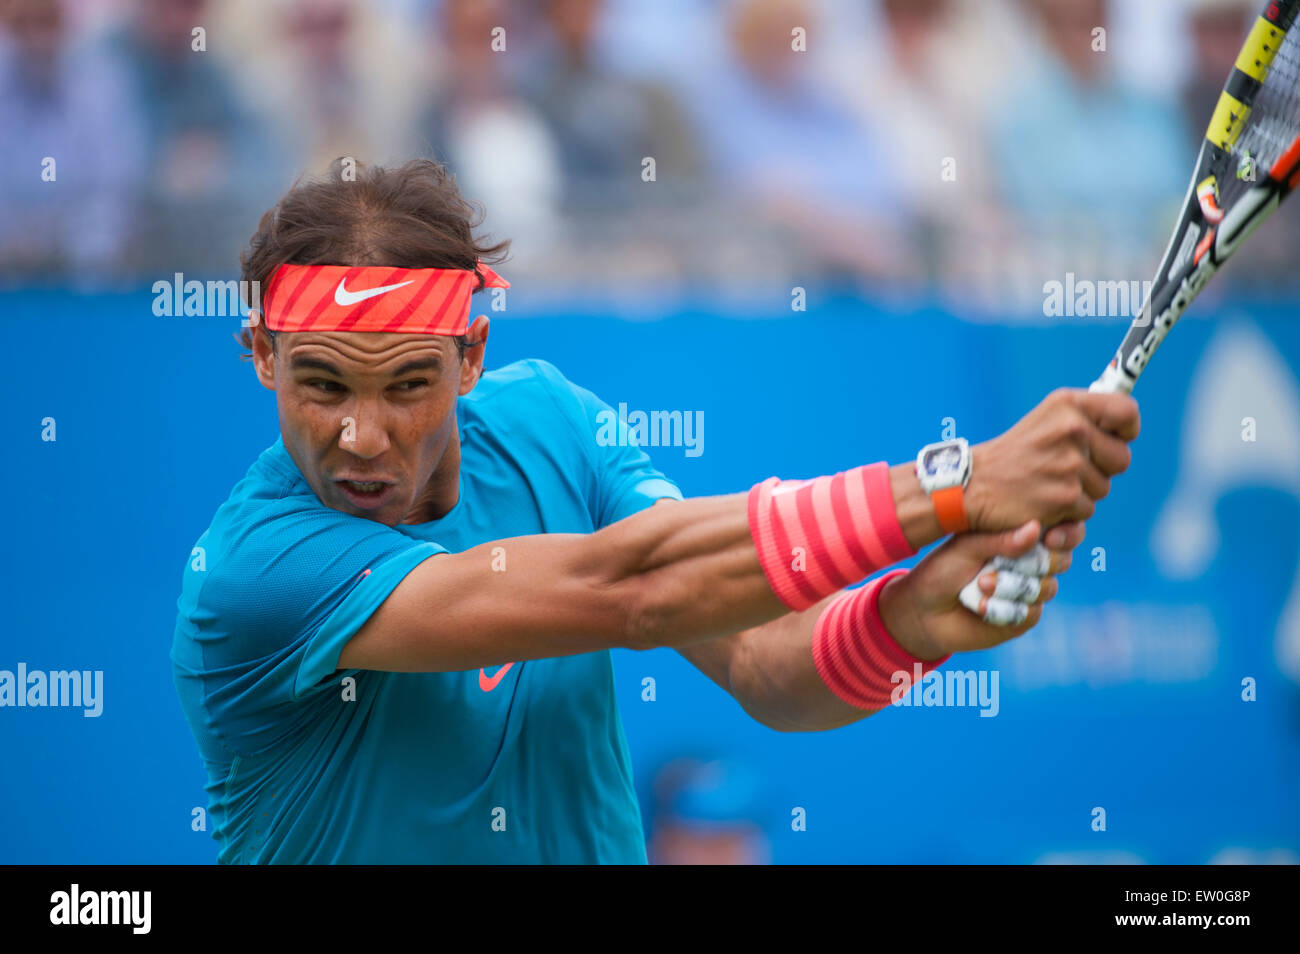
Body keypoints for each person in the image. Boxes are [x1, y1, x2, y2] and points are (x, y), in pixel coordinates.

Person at [171, 158, 1140, 864]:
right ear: (261, 356)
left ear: (471, 358)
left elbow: (770, 668)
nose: (363, 436)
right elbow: (638, 589)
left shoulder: (551, 421)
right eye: (323, 385)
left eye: (409, 384)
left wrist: (907, 623)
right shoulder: (258, 570)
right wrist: (953, 486)